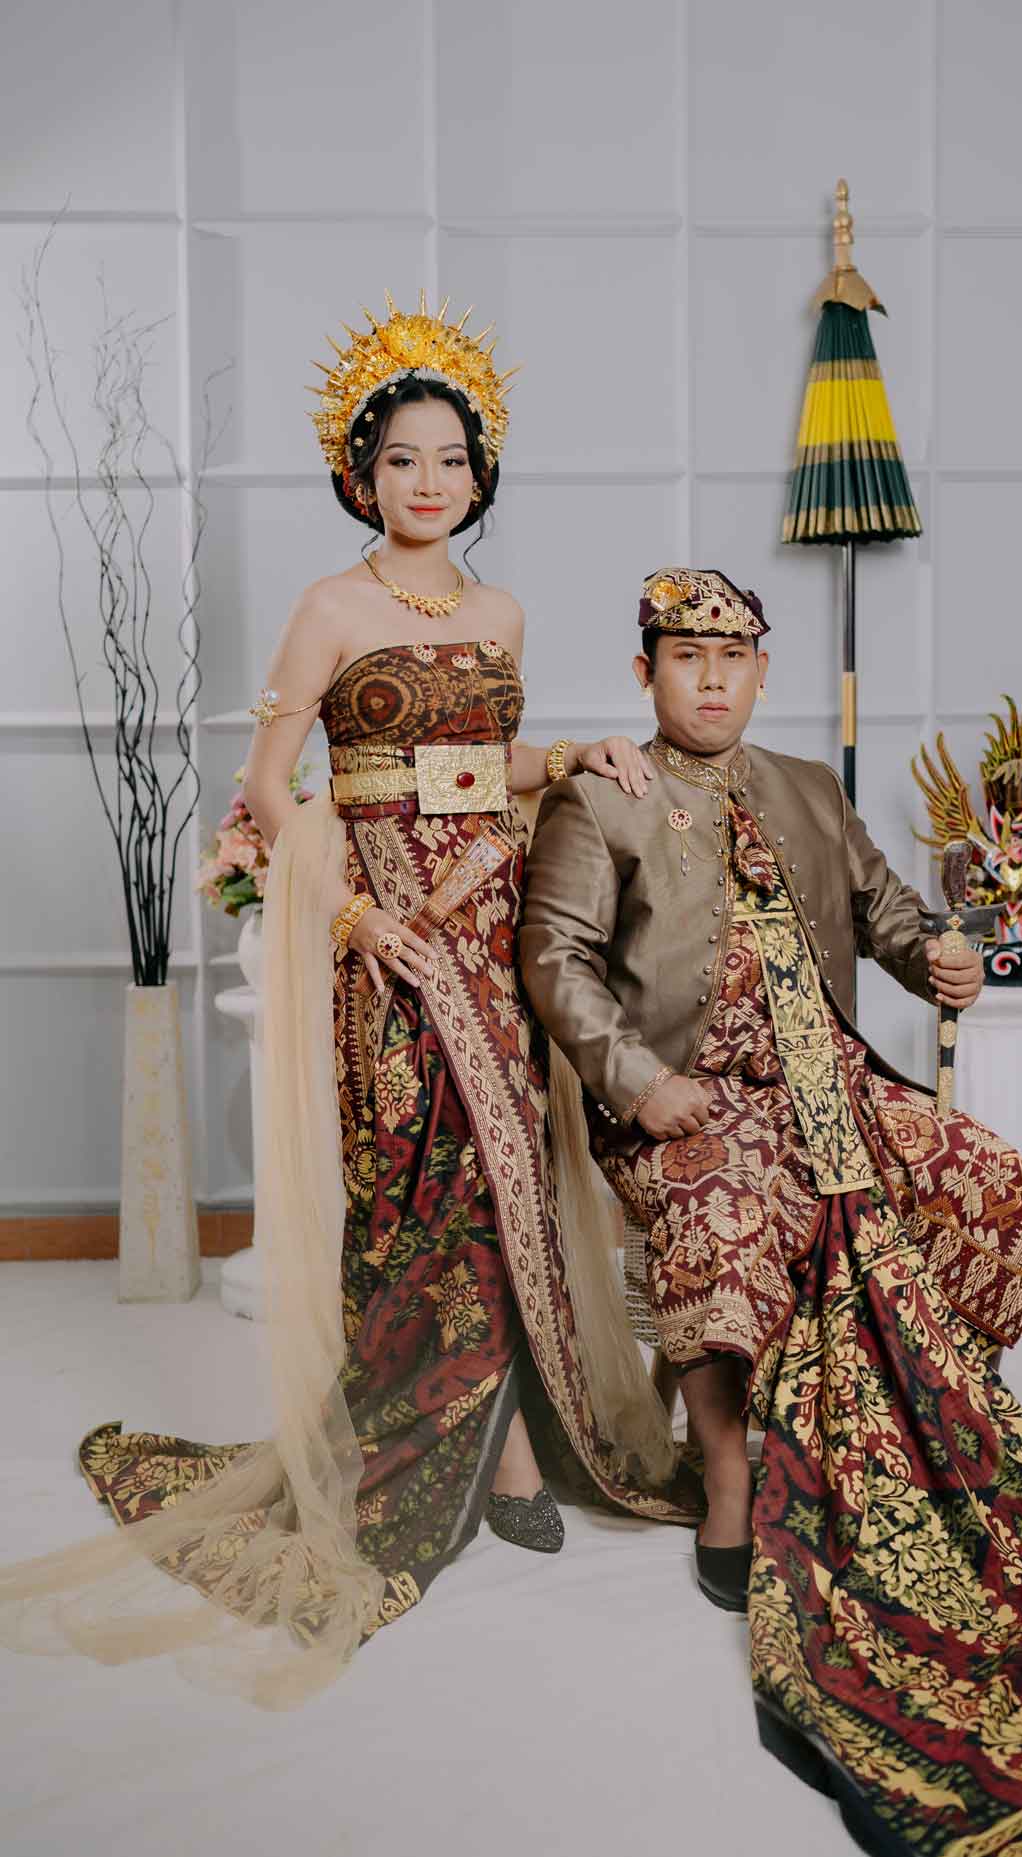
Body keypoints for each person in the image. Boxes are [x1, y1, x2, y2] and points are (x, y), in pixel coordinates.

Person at [0, 298, 696, 1708]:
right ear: (359, 476)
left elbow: (490, 765)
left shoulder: (498, 613)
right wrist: (358, 919)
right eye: (400, 460)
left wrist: (577, 754)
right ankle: (473, 1447)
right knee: (421, 1189)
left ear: (480, 477)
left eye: (451, 460)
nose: (428, 481)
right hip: (384, 938)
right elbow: (271, 790)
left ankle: (513, 1441)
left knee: (512, 1175)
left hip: (493, 929)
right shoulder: (329, 608)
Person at [519, 567, 1022, 1853]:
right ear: (644, 672)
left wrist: (937, 956)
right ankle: (729, 1469)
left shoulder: (807, 786)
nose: (712, 680)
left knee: (979, 1181)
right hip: (689, 1101)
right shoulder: (600, 796)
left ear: (761, 671)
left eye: (734, 659)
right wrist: (637, 1081)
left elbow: (888, 914)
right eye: (685, 658)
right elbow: (553, 959)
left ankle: (912, 1428)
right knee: (728, 1218)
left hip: (833, 1089)